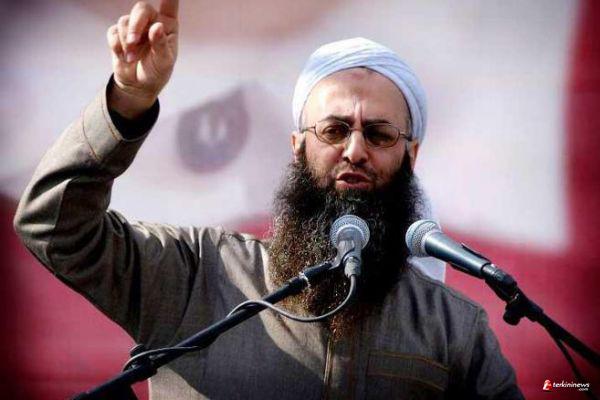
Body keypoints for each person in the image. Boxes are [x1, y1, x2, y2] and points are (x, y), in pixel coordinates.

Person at [13, 1, 523, 399]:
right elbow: (53, 227)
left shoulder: (451, 328)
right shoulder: (197, 275)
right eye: (334, 130)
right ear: (297, 146)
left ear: (410, 155)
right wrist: (128, 100)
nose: (354, 150)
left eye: (379, 134)